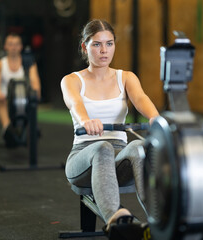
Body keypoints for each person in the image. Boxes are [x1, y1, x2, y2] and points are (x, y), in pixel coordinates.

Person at [60, 19, 159, 232]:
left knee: (137, 147)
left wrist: (154, 117)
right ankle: (117, 223)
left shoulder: (126, 77)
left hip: (119, 159)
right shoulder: (72, 80)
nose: (104, 50)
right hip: (83, 158)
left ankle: (160, 221)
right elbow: (75, 103)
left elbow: (140, 98)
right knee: (102, 147)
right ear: (85, 47)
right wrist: (86, 121)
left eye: (109, 43)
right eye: (97, 44)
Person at [0, 33, 41, 145]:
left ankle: (31, 127)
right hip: (6, 100)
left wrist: (35, 95)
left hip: (24, 98)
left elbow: (35, 83)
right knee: (1, 100)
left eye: (16, 44)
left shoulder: (29, 64)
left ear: (21, 47)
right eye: (10, 44)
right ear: (5, 46)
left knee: (33, 98)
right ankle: (7, 129)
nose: (13, 47)